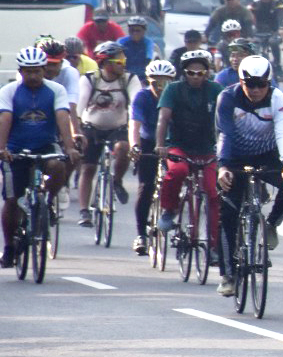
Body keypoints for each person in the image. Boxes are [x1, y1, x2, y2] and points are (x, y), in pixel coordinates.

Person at [215, 55, 283, 298]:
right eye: (249, 84)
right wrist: (223, 167)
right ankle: (228, 275)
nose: (255, 90)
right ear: (240, 82)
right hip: (234, 156)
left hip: (267, 155)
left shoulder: (278, 99)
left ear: (269, 83)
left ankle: (271, 224)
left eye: (261, 84)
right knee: (228, 213)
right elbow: (224, 134)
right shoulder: (228, 98)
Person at [0, 46, 78, 269]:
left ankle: (47, 201)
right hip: (16, 148)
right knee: (12, 200)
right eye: (28, 71)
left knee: (58, 165)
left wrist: (70, 147)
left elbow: (62, 117)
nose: (33, 76)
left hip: (45, 145)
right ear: (20, 71)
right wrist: (2, 148)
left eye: (37, 71)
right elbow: (5, 119)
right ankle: (9, 247)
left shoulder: (56, 90)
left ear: (44, 70)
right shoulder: (9, 91)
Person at [155, 50, 224, 267]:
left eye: (200, 73)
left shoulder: (216, 90)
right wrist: (160, 145)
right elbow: (163, 119)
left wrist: (224, 147)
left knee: (213, 193)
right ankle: (169, 210)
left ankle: (213, 246)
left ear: (207, 73)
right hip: (179, 146)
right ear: (184, 73)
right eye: (191, 73)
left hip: (207, 148)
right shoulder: (173, 89)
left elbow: (225, 119)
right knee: (178, 171)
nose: (195, 77)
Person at [75, 41, 140, 225]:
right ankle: (84, 211)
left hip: (118, 128)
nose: (123, 63)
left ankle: (117, 180)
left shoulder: (129, 79)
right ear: (105, 62)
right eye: (118, 60)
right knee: (88, 168)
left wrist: (136, 128)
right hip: (91, 127)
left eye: (123, 58)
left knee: (123, 148)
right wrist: (77, 130)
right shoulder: (90, 79)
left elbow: (135, 105)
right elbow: (80, 105)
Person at [129, 59, 175, 254]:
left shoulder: (176, 95)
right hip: (148, 142)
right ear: (149, 81)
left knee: (176, 180)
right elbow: (135, 124)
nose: (160, 87)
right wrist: (134, 145)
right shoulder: (142, 96)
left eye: (165, 82)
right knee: (146, 187)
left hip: (173, 142)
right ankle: (141, 234)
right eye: (155, 82)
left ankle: (171, 211)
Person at [251, 0, 283, 68]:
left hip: (274, 31)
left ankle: (277, 63)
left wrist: (281, 29)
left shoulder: (277, 4)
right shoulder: (255, 5)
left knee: (273, 42)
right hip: (259, 31)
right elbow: (249, 19)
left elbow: (280, 17)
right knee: (253, 44)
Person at [117, 16, 157, 83]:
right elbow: (117, 59)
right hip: (125, 77)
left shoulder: (148, 42)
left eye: (138, 30)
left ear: (144, 31)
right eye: (132, 30)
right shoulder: (121, 41)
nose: (134, 33)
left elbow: (149, 59)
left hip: (143, 78)